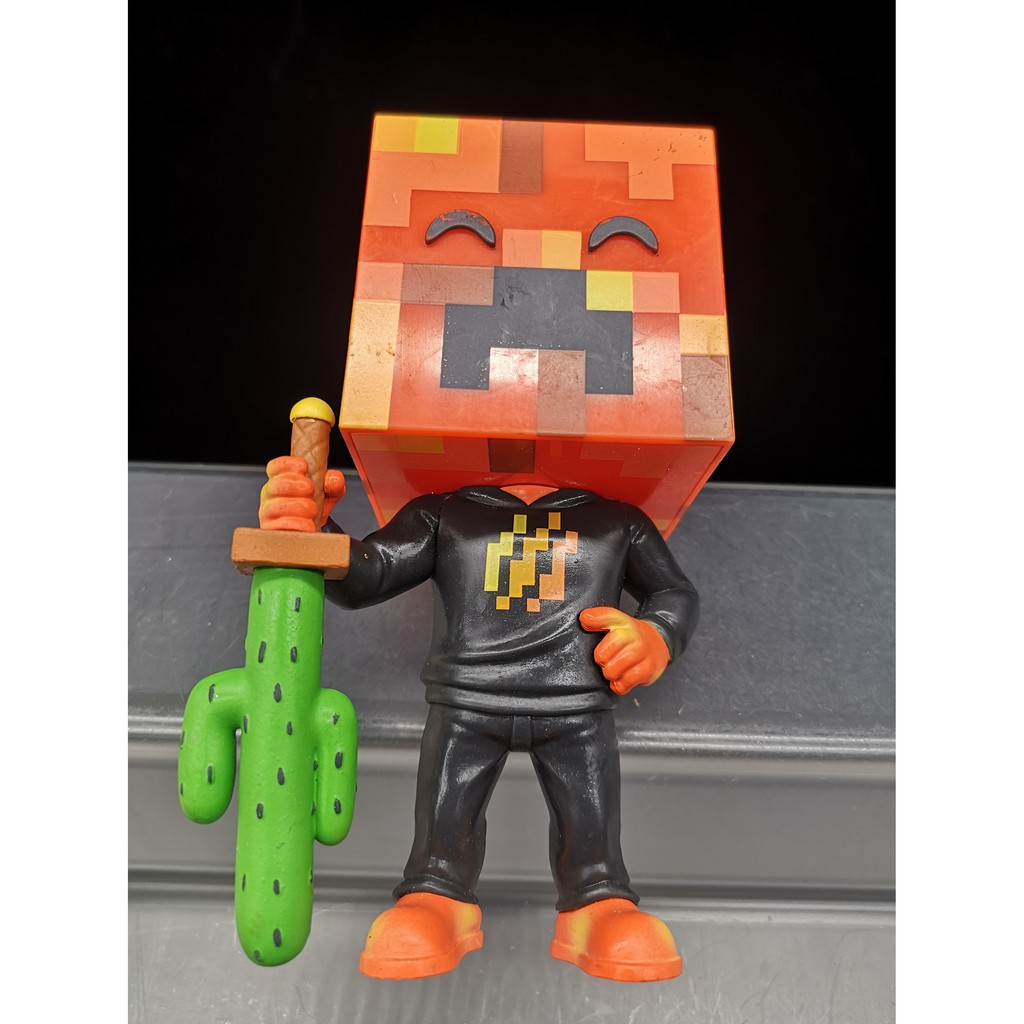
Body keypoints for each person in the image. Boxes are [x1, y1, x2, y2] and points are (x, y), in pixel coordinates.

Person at [260, 455, 700, 981]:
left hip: (576, 701)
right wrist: (313, 528)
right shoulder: (444, 513)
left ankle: (598, 903)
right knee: (445, 817)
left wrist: (656, 634)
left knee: (591, 820)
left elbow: (673, 592)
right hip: (466, 698)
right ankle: (436, 896)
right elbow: (369, 574)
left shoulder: (618, 520)